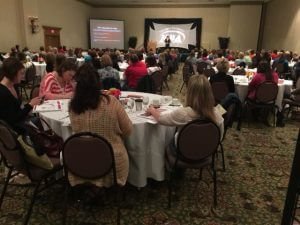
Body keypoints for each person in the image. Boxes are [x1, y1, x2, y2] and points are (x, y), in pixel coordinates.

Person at [69, 63, 133, 187]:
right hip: (112, 161)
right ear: (98, 83)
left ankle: (92, 187)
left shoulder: (73, 107)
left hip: (81, 159)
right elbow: (128, 131)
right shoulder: (112, 102)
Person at [146, 75, 224, 149]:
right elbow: (219, 138)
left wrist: (152, 110)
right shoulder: (218, 112)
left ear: (190, 93)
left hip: (183, 153)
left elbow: (161, 119)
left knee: (166, 142)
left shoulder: (184, 113)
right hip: (207, 153)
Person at [0, 57, 41, 134]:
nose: (23, 76)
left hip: (19, 120)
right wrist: (30, 105)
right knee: (40, 122)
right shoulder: (2, 93)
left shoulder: (14, 85)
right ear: (12, 74)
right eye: (21, 73)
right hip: (13, 129)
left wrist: (30, 104)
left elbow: (16, 109)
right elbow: (13, 119)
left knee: (39, 120)